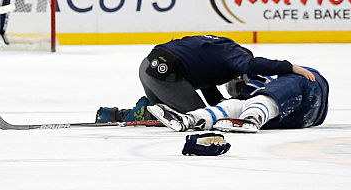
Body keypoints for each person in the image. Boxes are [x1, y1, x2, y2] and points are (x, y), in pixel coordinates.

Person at [138, 34, 317, 114]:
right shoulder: (234, 53)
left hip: (149, 66)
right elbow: (252, 65)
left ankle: (147, 108)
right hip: (165, 73)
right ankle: (148, 111)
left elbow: (210, 93)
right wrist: (289, 67)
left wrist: (226, 106)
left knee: (174, 110)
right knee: (199, 117)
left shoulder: (218, 50)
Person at [149, 67, 327, 134]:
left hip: (310, 84)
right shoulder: (252, 95)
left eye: (240, 84)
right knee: (237, 105)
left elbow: (272, 79)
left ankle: (251, 120)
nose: (241, 88)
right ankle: (191, 119)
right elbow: (235, 104)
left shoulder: (269, 79)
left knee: (263, 99)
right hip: (293, 117)